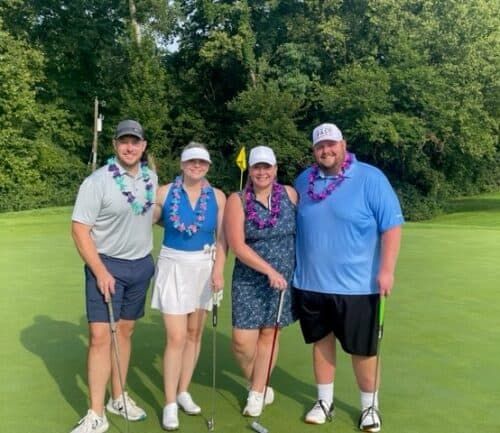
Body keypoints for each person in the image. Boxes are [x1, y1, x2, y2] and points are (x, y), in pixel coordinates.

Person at [293, 123, 404, 432]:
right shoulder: (304, 180)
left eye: (331, 144)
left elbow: (392, 226)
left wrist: (386, 270)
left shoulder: (370, 178)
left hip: (358, 285)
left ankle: (370, 407)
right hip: (310, 282)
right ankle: (324, 401)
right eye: (319, 146)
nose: (326, 150)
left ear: (343, 144)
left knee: (362, 350)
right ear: (314, 151)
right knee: (321, 342)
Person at [70, 120, 157, 433]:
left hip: (141, 265)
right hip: (106, 266)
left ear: (144, 146)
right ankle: (96, 414)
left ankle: (118, 397)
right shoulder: (98, 182)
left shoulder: (150, 178)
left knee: (125, 332)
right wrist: (100, 270)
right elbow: (80, 229)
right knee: (99, 337)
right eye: (124, 142)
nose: (130, 147)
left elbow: (149, 213)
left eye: (135, 141)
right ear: (115, 145)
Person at [151, 142, 226, 431]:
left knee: (195, 334)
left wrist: (218, 270)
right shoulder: (164, 192)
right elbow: (151, 218)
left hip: (204, 266)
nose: (197, 166)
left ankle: (183, 390)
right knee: (177, 336)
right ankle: (170, 402)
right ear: (182, 165)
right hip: (173, 265)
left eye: (202, 162)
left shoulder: (217, 196)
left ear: (207, 166)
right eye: (191, 162)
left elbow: (222, 239)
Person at [225, 145, 297, 417]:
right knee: (242, 342)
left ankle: (257, 391)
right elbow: (237, 245)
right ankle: (257, 380)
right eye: (257, 167)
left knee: (270, 333)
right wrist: (268, 270)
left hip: (283, 278)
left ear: (275, 169)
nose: (262, 172)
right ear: (250, 171)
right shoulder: (238, 200)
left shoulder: (290, 194)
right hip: (249, 276)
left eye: (267, 167)